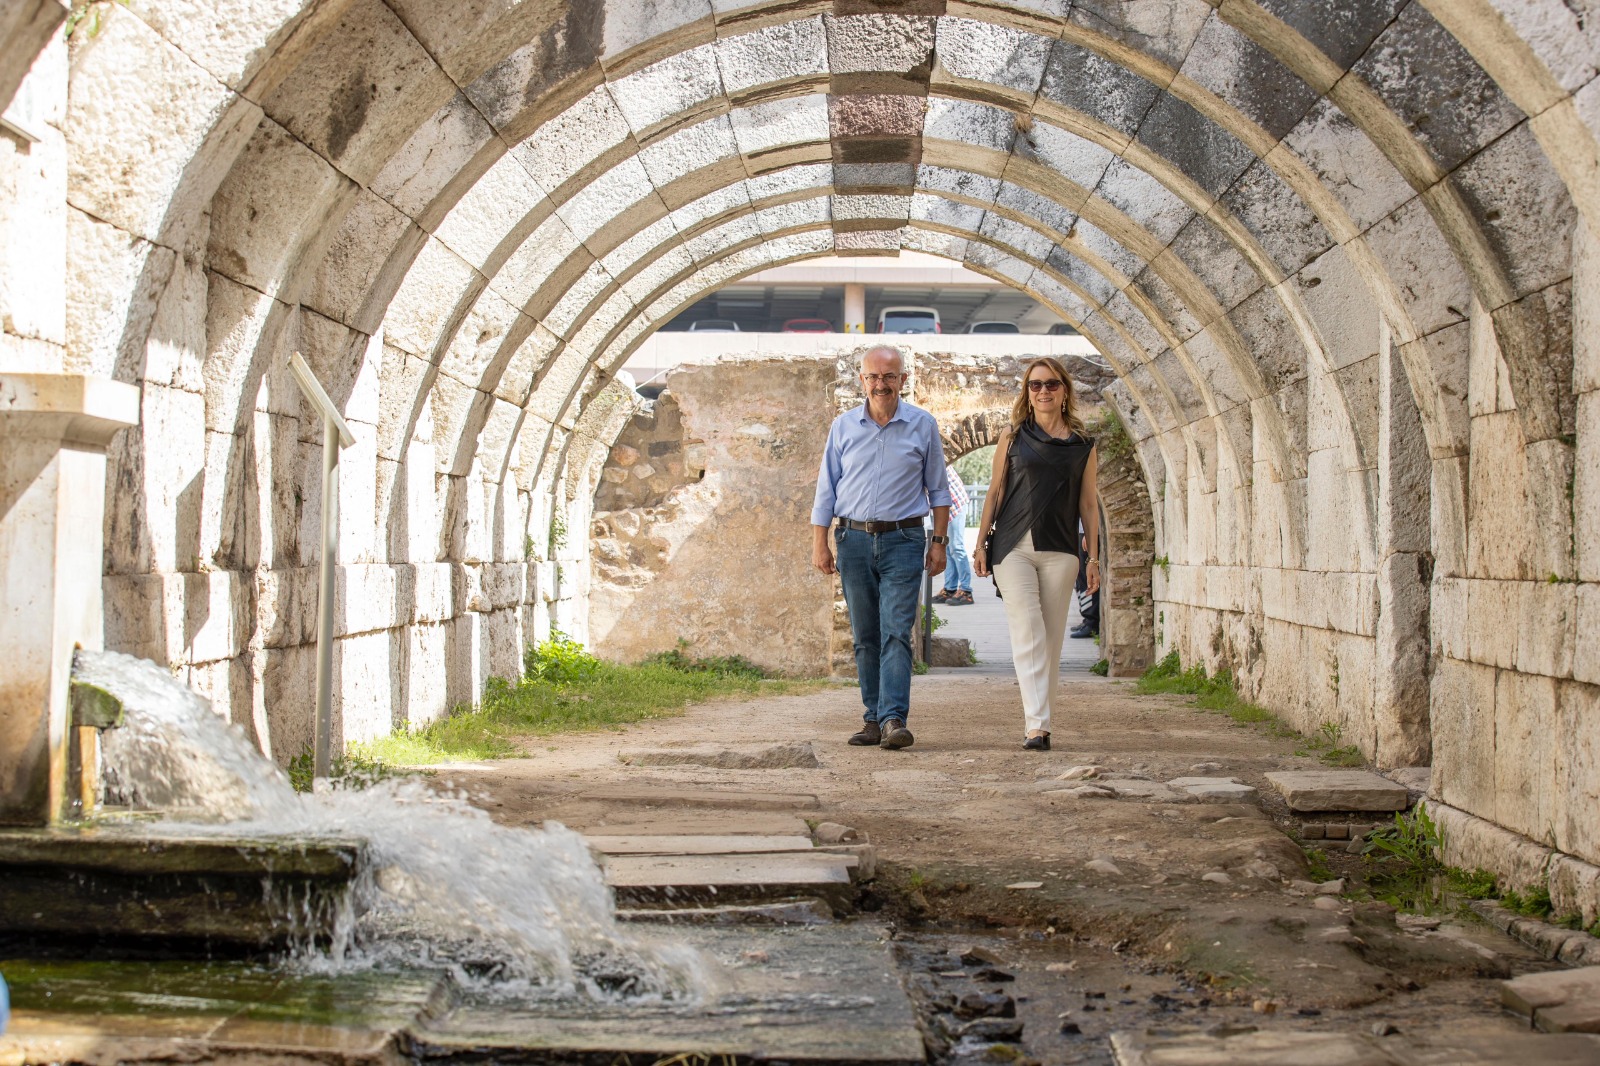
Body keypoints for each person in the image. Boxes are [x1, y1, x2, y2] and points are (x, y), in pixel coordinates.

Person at [812, 346, 952, 750]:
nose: (880, 384)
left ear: (903, 380)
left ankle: (893, 719)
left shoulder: (923, 425)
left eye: (889, 376)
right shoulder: (842, 427)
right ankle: (871, 718)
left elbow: (939, 490)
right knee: (864, 635)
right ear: (862, 381)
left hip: (904, 540)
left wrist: (938, 543)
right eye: (873, 377)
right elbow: (826, 489)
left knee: (895, 631)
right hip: (852, 540)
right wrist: (819, 543)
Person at [972, 357, 1099, 751]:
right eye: (1035, 385)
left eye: (1051, 384)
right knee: (1028, 630)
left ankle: (1041, 722)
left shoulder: (1082, 446)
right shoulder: (1012, 437)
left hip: (1060, 549)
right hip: (1012, 547)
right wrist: (980, 544)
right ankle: (1037, 726)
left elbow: (1089, 506)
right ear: (1027, 392)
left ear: (1064, 391)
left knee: (1052, 638)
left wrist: (1093, 557)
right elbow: (994, 492)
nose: (1043, 391)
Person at [932, 464, 974, 606]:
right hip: (945, 506)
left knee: (957, 546)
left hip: (955, 503)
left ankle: (966, 591)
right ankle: (950, 588)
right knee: (948, 548)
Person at [1070, 522, 1101, 638]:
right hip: (1082, 531)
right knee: (1081, 578)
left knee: (1087, 579)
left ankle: (1091, 623)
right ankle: (1087, 619)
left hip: (1088, 532)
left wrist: (1088, 535)